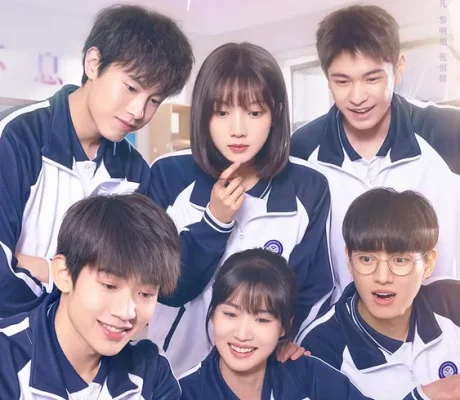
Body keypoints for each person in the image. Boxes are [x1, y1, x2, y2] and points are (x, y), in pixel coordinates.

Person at [149, 42, 333, 375]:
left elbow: (313, 287)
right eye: (222, 113)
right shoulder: (168, 174)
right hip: (173, 371)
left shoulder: (308, 186)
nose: (238, 130)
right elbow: (161, 285)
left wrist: (291, 338)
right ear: (203, 113)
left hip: (263, 376)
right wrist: (215, 222)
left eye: (254, 113)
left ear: (275, 112)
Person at [0, 4, 194, 318]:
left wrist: (41, 268)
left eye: (154, 100)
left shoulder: (135, 172)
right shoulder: (16, 138)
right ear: (93, 64)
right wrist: (74, 283)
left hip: (90, 345)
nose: (138, 111)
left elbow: (134, 279)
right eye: (131, 88)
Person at [290, 5, 460, 298]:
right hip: (338, 323)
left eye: (372, 79)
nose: (357, 97)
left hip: (440, 320)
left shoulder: (446, 132)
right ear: (326, 76)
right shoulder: (302, 149)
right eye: (342, 81)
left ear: (399, 68)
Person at [0, 193, 182, 399]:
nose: (126, 312)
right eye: (109, 285)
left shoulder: (151, 372)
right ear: (63, 273)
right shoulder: (6, 360)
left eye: (146, 294)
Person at [298, 188, 460, 400]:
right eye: (366, 259)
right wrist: (423, 397)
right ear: (349, 260)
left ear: (428, 263)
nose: (382, 277)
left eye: (400, 260)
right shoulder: (320, 346)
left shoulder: (452, 302)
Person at [179, 248, 371, 400]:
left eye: (262, 320)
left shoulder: (306, 374)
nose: (242, 334)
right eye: (231, 314)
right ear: (213, 314)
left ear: (284, 327)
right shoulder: (185, 393)